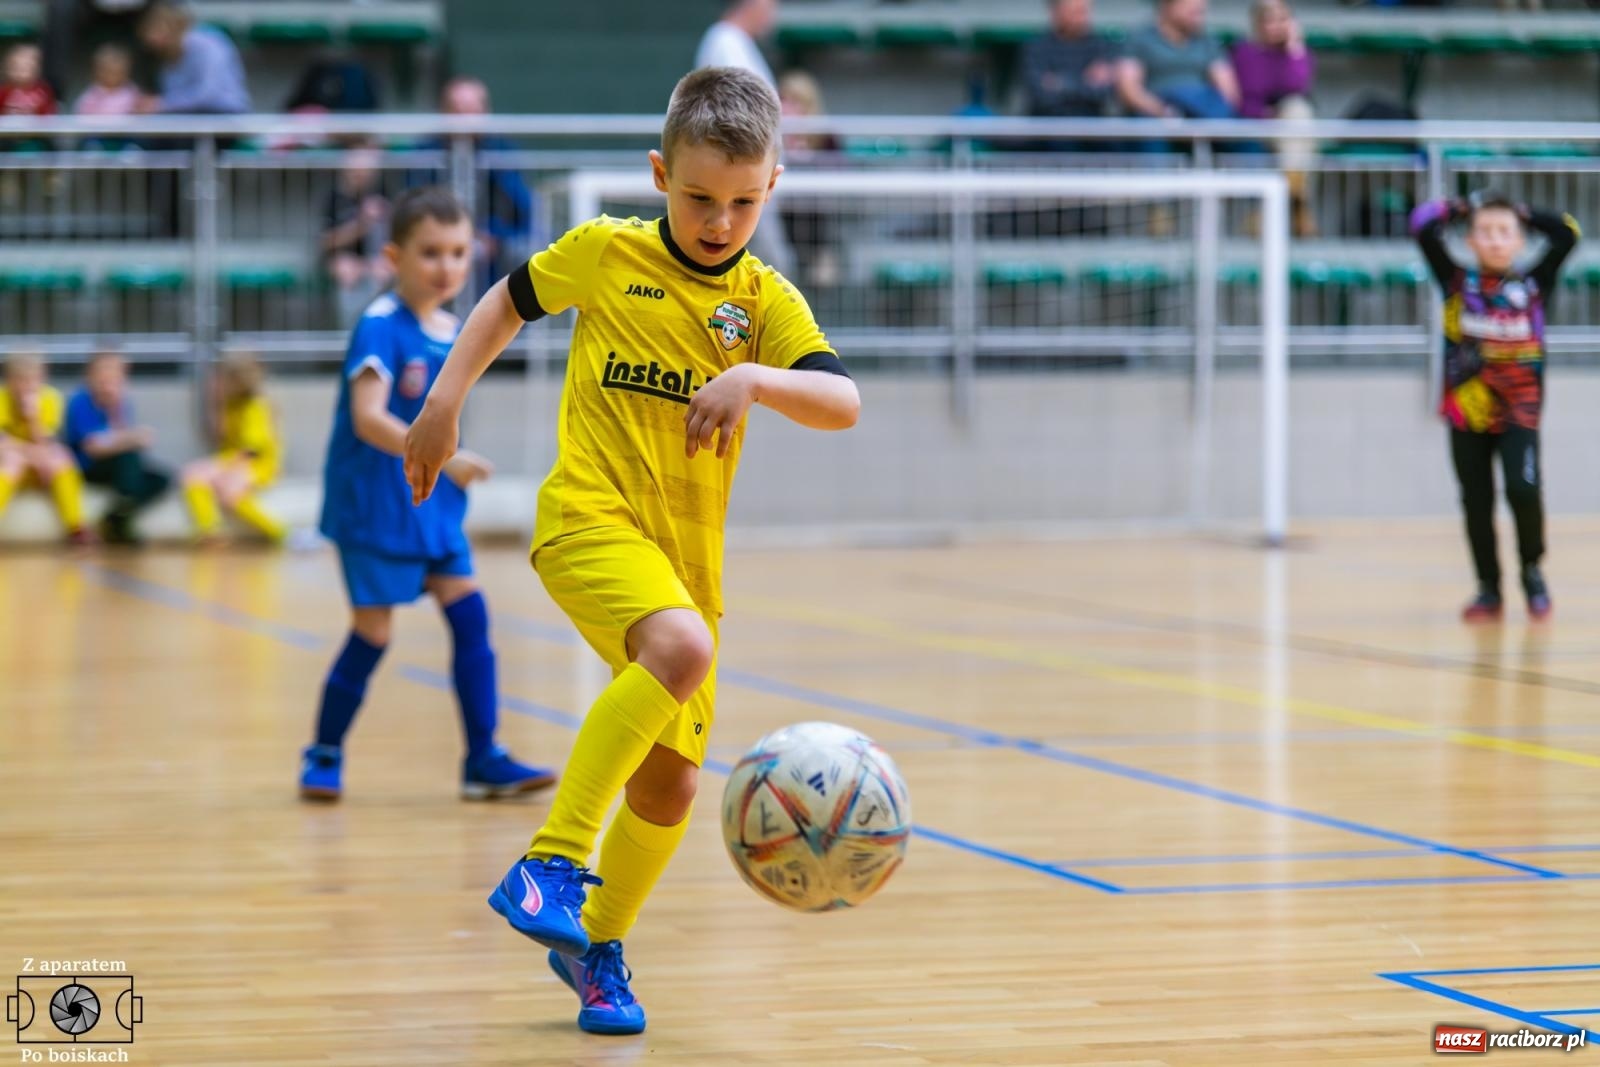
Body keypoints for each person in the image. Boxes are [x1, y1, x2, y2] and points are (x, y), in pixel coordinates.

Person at [403, 67, 859, 1036]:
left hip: (685, 567)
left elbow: (842, 401)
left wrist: (755, 377)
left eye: (741, 201)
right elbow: (504, 302)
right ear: (660, 174)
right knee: (682, 651)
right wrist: (443, 402)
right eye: (698, 196)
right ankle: (551, 860)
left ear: (772, 185)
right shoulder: (604, 252)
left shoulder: (763, 301)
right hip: (587, 520)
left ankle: (594, 945)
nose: (718, 219)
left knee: (672, 782)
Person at [302, 185, 555, 804]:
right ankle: (324, 752)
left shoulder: (457, 331)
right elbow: (368, 418)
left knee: (470, 615)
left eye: (459, 253)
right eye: (430, 253)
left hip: (429, 501)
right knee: (374, 634)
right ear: (393, 257)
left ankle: (482, 759)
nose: (446, 267)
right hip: (374, 504)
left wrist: (444, 465)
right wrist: (441, 454)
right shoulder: (380, 326)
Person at [1410, 193, 1580, 621]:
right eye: (1485, 232)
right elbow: (1421, 223)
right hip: (1467, 410)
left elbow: (1567, 233)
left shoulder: (1535, 283)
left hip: (1520, 410)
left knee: (1523, 491)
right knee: (1476, 500)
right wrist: (1464, 206)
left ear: (1519, 240)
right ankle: (1488, 587)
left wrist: (1525, 210)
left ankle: (1532, 570)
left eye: (1505, 232)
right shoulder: (1455, 280)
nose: (1496, 240)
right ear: (1470, 240)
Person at [694, 0, 795, 277]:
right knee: (767, 268)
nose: (773, 13)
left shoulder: (737, 42)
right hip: (741, 178)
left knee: (765, 271)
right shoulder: (724, 40)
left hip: (753, 177)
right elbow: (735, 113)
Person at [64, 349, 171, 545]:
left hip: (116, 467)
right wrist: (131, 438)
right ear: (90, 375)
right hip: (88, 467)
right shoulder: (80, 401)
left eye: (115, 375)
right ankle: (122, 519)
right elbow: (92, 447)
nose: (109, 380)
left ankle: (116, 516)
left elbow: (118, 436)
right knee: (129, 456)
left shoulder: (121, 402)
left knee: (161, 479)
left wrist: (116, 412)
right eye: (103, 374)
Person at [1231, 0, 1317, 236]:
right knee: (1297, 120)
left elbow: (1298, 87)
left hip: (1286, 127)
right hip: (1255, 122)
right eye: (1271, 20)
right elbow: (1252, 93)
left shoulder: (1297, 53)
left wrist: (1295, 48)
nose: (1278, 26)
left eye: (1283, 20)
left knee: (1298, 111)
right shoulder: (1245, 52)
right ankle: (1297, 201)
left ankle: (1292, 190)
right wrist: (1267, 114)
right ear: (1258, 23)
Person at [180, 354, 285, 544]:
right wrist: (216, 404)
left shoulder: (255, 406)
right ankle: (209, 529)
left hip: (258, 464)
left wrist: (230, 471)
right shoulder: (230, 404)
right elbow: (218, 436)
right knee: (196, 476)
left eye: (221, 379)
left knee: (223, 488)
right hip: (234, 458)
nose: (216, 383)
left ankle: (279, 532)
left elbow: (252, 450)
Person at [0, 353, 88, 544]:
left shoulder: (51, 398)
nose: (27, 386)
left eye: (33, 380)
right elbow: (2, 443)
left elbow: (46, 443)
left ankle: (76, 528)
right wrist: (30, 453)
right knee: (11, 460)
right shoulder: (2, 399)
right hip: (14, 468)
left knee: (62, 458)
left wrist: (33, 417)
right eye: (21, 380)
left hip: (40, 468)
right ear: (9, 380)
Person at [1116, 0, 1238, 121]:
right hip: (1155, 116)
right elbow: (1128, 90)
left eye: (1201, 12)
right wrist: (1164, 112)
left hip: (1201, 114)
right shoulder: (1140, 39)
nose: (1199, 18)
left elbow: (1228, 91)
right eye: (1193, 11)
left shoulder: (1208, 42)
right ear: (1168, 6)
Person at [135, 0, 250, 115]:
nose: (151, 38)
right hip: (187, 118)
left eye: (156, 28)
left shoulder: (207, 44)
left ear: (176, 24)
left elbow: (209, 95)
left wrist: (161, 104)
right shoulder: (161, 55)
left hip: (226, 115)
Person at [323, 142, 394, 326]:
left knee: (384, 270)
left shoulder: (383, 194)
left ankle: (376, 332)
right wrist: (361, 224)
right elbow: (327, 242)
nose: (360, 176)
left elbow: (396, 238)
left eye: (365, 172)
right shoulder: (335, 198)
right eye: (355, 171)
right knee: (345, 270)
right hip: (346, 260)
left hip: (377, 258)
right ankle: (349, 335)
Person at [1019, 0, 1117, 120]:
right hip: (1047, 125)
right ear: (1055, 12)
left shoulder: (1101, 46)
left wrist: (1058, 83)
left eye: (1086, 11)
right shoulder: (1036, 47)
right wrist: (1085, 82)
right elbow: (1040, 96)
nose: (1084, 18)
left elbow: (1104, 94)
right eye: (1076, 11)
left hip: (1092, 125)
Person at [74, 42, 141, 117]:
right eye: (111, 73)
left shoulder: (131, 91)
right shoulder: (93, 96)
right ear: (98, 72)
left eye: (120, 73)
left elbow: (140, 111)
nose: (115, 77)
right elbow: (82, 117)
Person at [0, 43, 57, 118]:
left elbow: (49, 114)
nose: (20, 73)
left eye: (26, 68)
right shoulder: (3, 91)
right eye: (16, 68)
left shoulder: (43, 91)